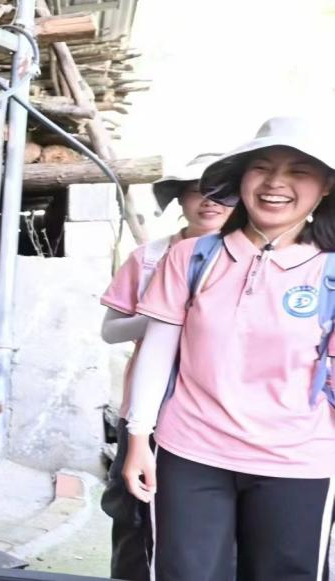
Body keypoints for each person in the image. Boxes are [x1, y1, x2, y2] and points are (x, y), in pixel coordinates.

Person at [123, 116, 335, 581]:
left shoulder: (328, 271)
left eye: (299, 171)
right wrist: (138, 439)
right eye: (262, 168)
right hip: (190, 452)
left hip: (298, 460)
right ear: (241, 178)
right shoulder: (191, 257)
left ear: (325, 187)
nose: (276, 182)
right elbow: (157, 352)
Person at [97, 153, 232, 581]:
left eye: (221, 194)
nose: (208, 202)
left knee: (213, 524)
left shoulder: (255, 261)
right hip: (147, 413)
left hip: (220, 414)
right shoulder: (150, 257)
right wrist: (165, 315)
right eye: (196, 192)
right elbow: (110, 331)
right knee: (135, 513)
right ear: (179, 199)